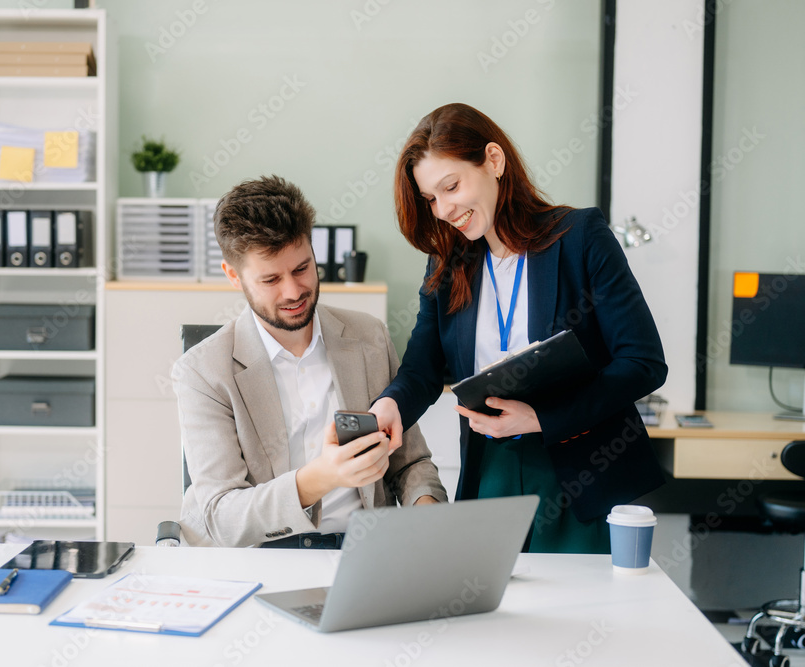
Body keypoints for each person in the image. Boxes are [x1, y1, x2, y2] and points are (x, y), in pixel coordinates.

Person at [369, 103, 667, 554]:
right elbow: (422, 370)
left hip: (579, 471)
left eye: (451, 186)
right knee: (491, 617)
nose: (444, 209)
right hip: (491, 471)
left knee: (575, 617)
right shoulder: (449, 264)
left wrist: (541, 418)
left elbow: (643, 363)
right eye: (431, 199)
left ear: (494, 160)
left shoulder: (580, 237)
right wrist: (389, 405)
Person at [172, 175, 447, 548]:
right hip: (260, 557)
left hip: (361, 550)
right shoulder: (202, 372)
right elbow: (221, 516)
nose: (294, 291)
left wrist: (427, 509)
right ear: (234, 276)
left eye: (302, 268)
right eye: (271, 279)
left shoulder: (369, 337)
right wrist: (321, 476)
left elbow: (411, 463)